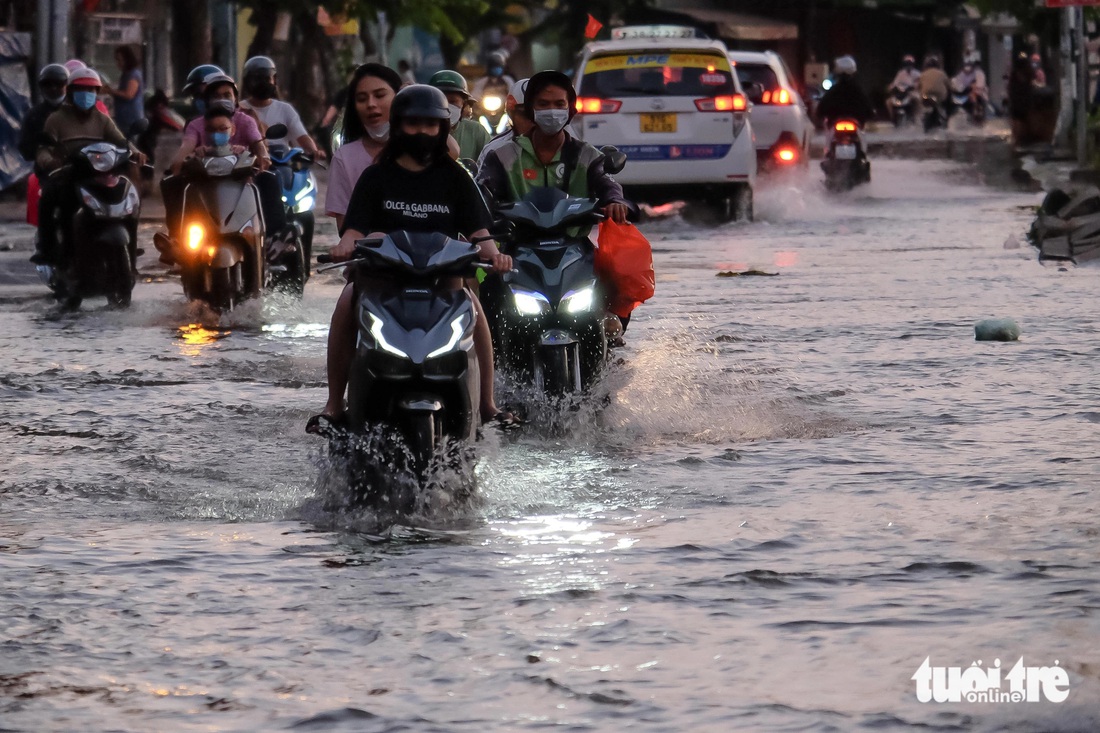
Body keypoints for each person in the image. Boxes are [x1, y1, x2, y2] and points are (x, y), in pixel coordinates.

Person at [309, 84, 515, 433]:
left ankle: (488, 405)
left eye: (430, 125)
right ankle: (333, 404)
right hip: (382, 280)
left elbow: (480, 233)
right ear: (398, 125)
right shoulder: (376, 176)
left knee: (474, 308)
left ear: (442, 128)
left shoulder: (455, 177)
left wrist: (495, 256)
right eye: (413, 124)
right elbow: (354, 231)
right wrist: (346, 246)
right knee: (346, 300)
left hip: (444, 281)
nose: (422, 132)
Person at [158, 73, 285, 263]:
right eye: (216, 95)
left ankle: (273, 238)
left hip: (242, 181)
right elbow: (186, 146)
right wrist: (180, 160)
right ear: (207, 100)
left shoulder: (245, 121)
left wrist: (263, 157)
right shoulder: (196, 124)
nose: (222, 99)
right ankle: (176, 239)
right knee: (170, 182)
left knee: (270, 179)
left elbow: (258, 143)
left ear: (235, 98)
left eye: (227, 95)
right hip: (204, 185)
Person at [32, 68, 146, 266]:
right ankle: (49, 250)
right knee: (48, 198)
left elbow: (121, 141)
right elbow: (43, 150)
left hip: (100, 174)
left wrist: (135, 152)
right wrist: (50, 161)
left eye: (92, 90)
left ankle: (130, 246)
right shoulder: (56, 119)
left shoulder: (102, 119)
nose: (87, 95)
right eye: (82, 90)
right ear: (71, 92)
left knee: (129, 199)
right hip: (70, 174)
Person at [325, 63, 401, 232]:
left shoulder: (419, 149)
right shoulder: (344, 158)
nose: (371, 104)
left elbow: (451, 151)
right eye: (361, 99)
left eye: (380, 95)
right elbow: (344, 227)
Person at [240, 55, 324, 159]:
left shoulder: (285, 109)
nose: (263, 83)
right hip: (253, 164)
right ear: (247, 82)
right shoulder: (241, 109)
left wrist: (314, 151)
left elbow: (302, 136)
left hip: (282, 162)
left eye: (267, 79)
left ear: (274, 80)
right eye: (257, 79)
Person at [429, 69, 490, 161]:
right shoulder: (420, 130)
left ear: (464, 105)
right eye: (440, 100)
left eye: (452, 101)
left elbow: (491, 166)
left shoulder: (476, 132)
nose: (446, 106)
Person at [19, 64, 69, 173]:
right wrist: (41, 145)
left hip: (76, 172)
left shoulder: (77, 112)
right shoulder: (34, 115)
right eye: (47, 84)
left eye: (59, 84)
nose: (53, 88)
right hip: (47, 175)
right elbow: (25, 149)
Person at [476, 77, 532, 170]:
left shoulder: (563, 146)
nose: (532, 120)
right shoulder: (493, 150)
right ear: (510, 111)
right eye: (525, 114)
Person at [815, 55, 874, 128]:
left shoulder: (833, 91)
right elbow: (868, 109)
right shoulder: (857, 91)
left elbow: (821, 109)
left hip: (837, 123)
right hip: (853, 124)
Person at [103, 45, 144, 136]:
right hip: (123, 119)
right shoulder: (126, 75)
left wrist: (111, 91)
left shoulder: (133, 75)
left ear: (127, 59)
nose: (118, 63)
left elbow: (129, 94)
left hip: (131, 120)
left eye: (119, 60)